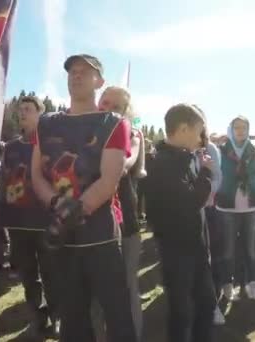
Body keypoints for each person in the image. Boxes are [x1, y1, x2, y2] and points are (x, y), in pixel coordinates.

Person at [30, 54, 136, 341]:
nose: (76, 76)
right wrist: (56, 204)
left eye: (84, 72)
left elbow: (110, 179)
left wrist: (74, 209)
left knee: (118, 316)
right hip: (62, 237)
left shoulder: (112, 123)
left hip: (100, 235)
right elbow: (37, 174)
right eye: (72, 71)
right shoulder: (47, 123)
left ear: (99, 81)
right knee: (73, 319)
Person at [144, 103, 216, 341]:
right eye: (198, 131)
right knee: (182, 312)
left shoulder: (182, 158)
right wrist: (206, 173)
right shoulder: (163, 163)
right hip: (177, 249)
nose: (201, 138)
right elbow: (189, 202)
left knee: (205, 304)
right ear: (184, 129)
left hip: (194, 246)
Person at [0, 96, 60, 337]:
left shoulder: (50, 145)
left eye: (28, 109)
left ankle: (57, 317)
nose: (23, 113)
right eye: (20, 110)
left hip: (44, 222)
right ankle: (38, 315)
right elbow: (4, 180)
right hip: (17, 224)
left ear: (40, 113)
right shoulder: (10, 148)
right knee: (28, 276)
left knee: (51, 274)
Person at [96, 86, 145, 340]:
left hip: (125, 224)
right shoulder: (87, 132)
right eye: (104, 102)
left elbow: (126, 161)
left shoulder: (132, 133)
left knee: (127, 288)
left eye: (115, 106)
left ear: (125, 111)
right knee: (95, 295)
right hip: (93, 226)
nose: (107, 108)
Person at [216, 116, 255, 301]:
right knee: (228, 250)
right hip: (227, 206)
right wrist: (221, 190)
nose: (241, 131)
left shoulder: (254, 151)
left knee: (250, 249)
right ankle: (228, 286)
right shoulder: (222, 150)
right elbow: (217, 173)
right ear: (231, 129)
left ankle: (251, 283)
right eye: (237, 127)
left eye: (244, 127)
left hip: (251, 206)